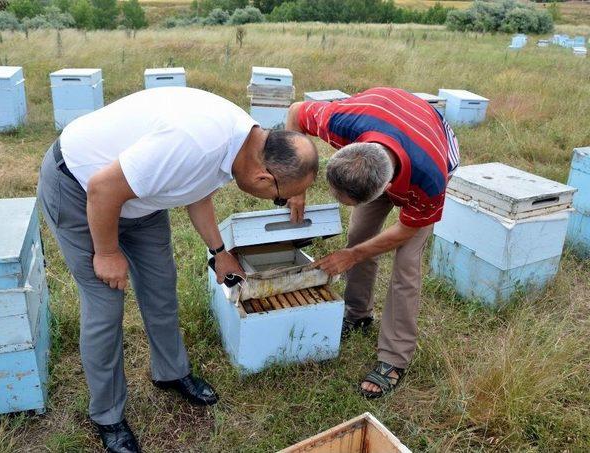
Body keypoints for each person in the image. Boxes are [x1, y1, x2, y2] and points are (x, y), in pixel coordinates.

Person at [37, 87, 318, 453]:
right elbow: (103, 189)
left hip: (140, 197)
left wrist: (219, 252)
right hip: (81, 189)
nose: (278, 202)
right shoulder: (193, 143)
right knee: (105, 307)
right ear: (265, 178)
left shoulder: (242, 143)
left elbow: (196, 188)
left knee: (160, 286)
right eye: (282, 197)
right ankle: (107, 416)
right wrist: (106, 253)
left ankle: (171, 372)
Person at [285, 87, 460, 399]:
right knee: (360, 235)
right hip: (382, 120)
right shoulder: (340, 122)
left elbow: (405, 231)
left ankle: (394, 357)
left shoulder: (430, 180)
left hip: (431, 144)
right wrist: (296, 187)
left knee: (406, 265)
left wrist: (353, 256)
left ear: (384, 190)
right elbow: (296, 111)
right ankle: (357, 314)